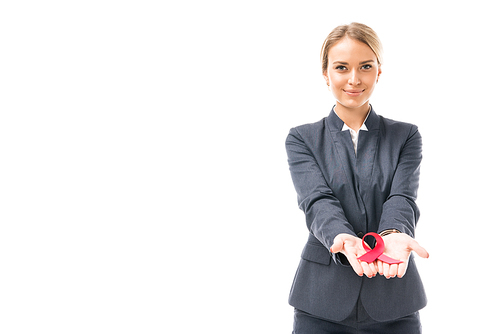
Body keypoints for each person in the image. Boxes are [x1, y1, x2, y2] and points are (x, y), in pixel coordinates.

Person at [285, 22, 430, 333]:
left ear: (379, 72)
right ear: (326, 74)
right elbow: (317, 200)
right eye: (341, 67)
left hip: (394, 301)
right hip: (320, 304)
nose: (354, 79)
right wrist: (341, 238)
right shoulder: (302, 138)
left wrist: (391, 234)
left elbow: (402, 197)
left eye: (365, 66)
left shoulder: (405, 136)